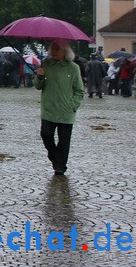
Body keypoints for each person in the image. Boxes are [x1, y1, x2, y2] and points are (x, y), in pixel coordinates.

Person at [34, 40, 84, 176]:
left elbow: (79, 90)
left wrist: (73, 105)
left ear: (65, 52)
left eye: (58, 49)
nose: (54, 52)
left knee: (64, 141)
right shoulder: (46, 65)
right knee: (46, 134)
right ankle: (53, 154)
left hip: (66, 111)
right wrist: (39, 76)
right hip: (49, 110)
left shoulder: (73, 68)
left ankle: (60, 166)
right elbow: (38, 86)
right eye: (53, 49)